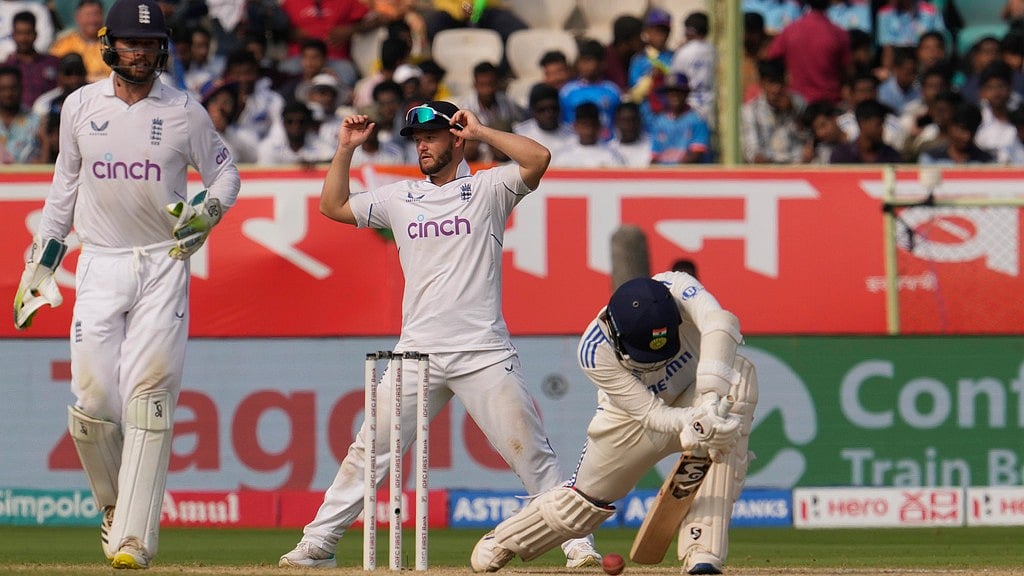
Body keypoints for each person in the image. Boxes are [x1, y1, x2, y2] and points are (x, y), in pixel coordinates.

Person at [278, 100, 602, 569]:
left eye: (431, 136)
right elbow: (333, 206)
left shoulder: (489, 188)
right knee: (369, 451)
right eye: (416, 139)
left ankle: (578, 545)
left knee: (531, 455)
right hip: (416, 354)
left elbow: (538, 159)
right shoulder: (400, 197)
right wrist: (346, 149)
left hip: (483, 351)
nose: (422, 145)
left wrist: (483, 130)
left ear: (456, 138)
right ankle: (318, 544)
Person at [12, 0, 240, 569]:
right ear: (110, 44)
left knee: (150, 401)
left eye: (150, 43)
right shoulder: (80, 105)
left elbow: (225, 173)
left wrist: (208, 211)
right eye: (131, 43)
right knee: (92, 404)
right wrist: (40, 265)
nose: (140, 53)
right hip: (99, 262)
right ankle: (117, 508)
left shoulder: (185, 110)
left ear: (162, 48)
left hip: (163, 262)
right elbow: (63, 189)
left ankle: (134, 541)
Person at [470, 273, 754, 576]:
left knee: (739, 381)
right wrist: (693, 421)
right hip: (629, 422)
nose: (656, 363)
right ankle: (503, 541)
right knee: (582, 505)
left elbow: (720, 323)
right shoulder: (594, 349)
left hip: (694, 394)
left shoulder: (680, 289)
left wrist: (710, 403)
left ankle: (703, 553)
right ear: (616, 334)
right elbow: (651, 415)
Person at [2, 10, 59, 110]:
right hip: (16, 121)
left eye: (28, 33)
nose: (24, 38)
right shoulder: (5, 68)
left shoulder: (53, 63)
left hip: (48, 119)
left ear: (36, 34)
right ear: (13, 35)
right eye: (20, 33)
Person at [49, 0, 110, 83]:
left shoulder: (111, 43)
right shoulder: (64, 44)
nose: (92, 20)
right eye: (88, 15)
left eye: (97, 14)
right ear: (77, 17)